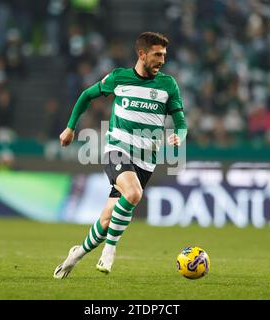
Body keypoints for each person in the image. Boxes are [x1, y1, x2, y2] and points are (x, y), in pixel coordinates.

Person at [54, 32, 187, 278]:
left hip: (146, 161)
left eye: (164, 55)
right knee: (134, 193)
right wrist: (70, 127)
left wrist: (180, 134)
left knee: (106, 222)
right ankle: (110, 251)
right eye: (157, 55)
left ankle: (76, 254)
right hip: (117, 150)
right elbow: (86, 96)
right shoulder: (119, 78)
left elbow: (180, 120)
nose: (162, 60)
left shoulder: (168, 84)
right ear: (142, 54)